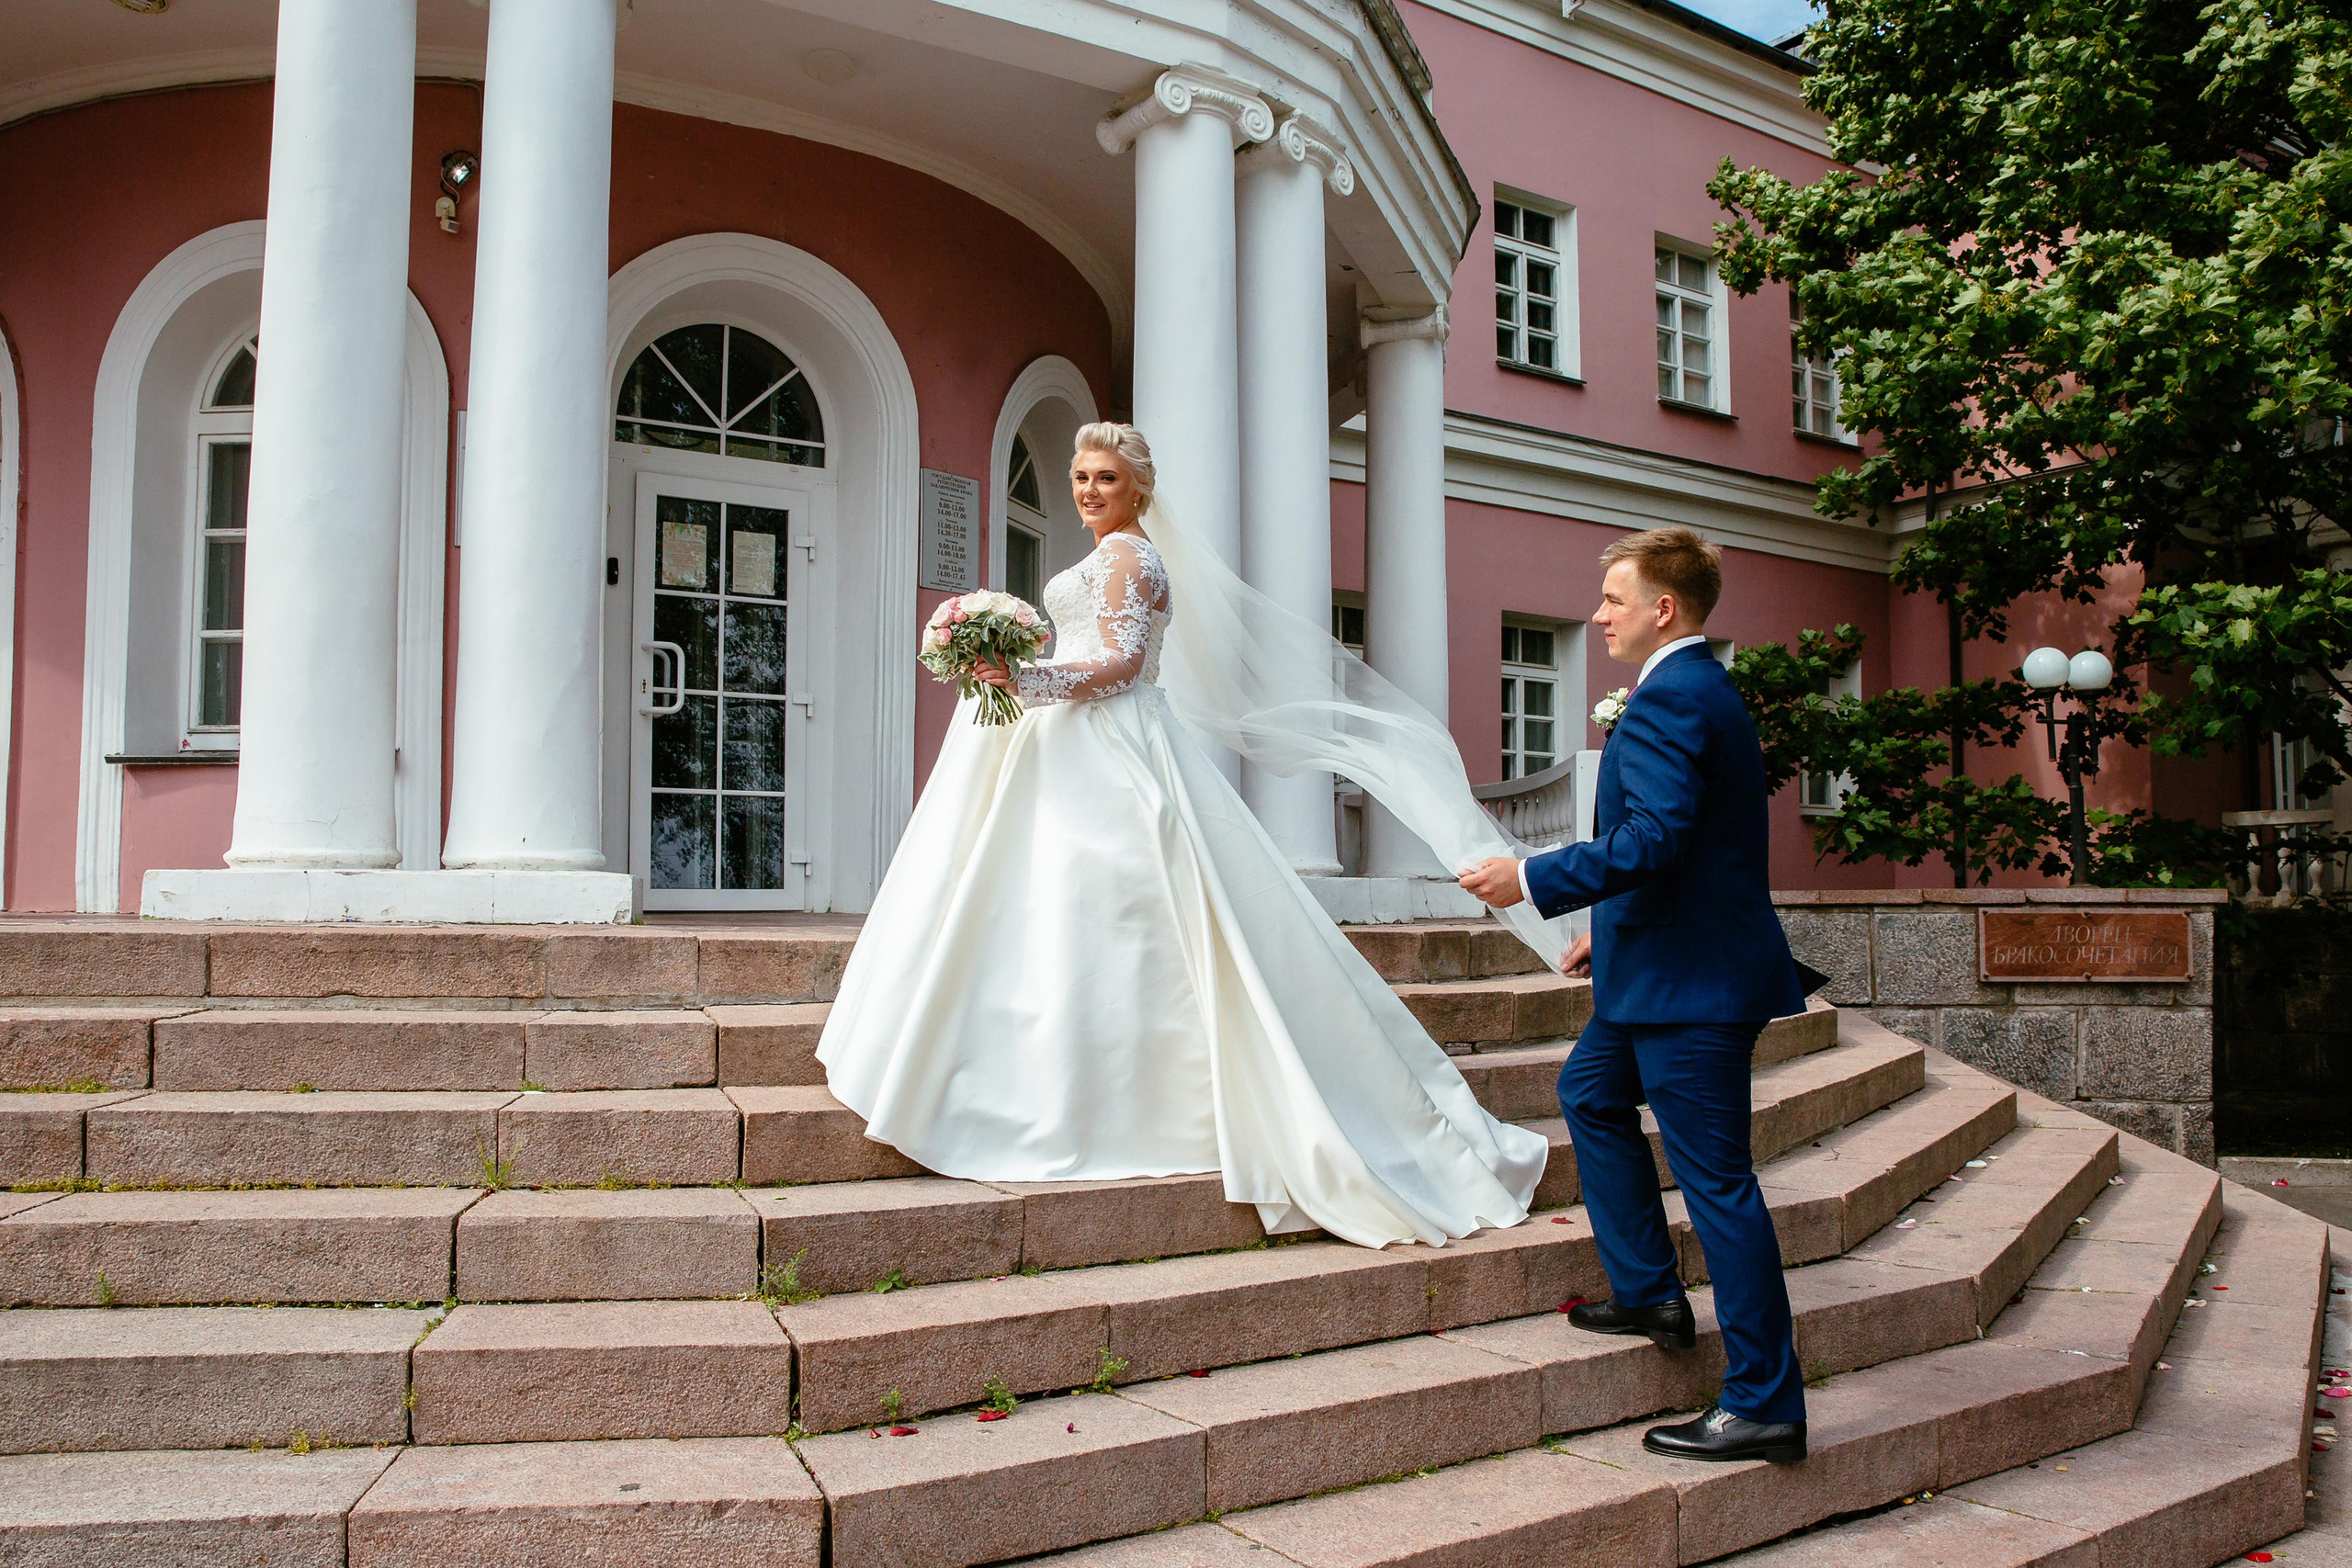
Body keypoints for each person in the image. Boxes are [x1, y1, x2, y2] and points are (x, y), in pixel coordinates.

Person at [815, 422, 1549, 1249]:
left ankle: (1122, 1100)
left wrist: (1024, 677)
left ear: (1138, 490)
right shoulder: (1108, 555)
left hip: (1112, 741)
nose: (1088, 488)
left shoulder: (1132, 556)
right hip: (1073, 738)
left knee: (1113, 902)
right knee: (1046, 901)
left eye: (1105, 477)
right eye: (1080, 474)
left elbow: (1123, 662)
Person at [1456, 525, 1809, 1465]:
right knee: (1590, 1094)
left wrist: (1530, 879)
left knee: (1720, 1188)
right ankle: (1650, 1290)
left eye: (1613, 599)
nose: (1597, 613)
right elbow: (1690, 845)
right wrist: (1604, 931)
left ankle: (1765, 1401)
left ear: (1661, 608)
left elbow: (1654, 838)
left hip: (1691, 988)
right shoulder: (1694, 689)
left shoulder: (1667, 702)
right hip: (1657, 962)